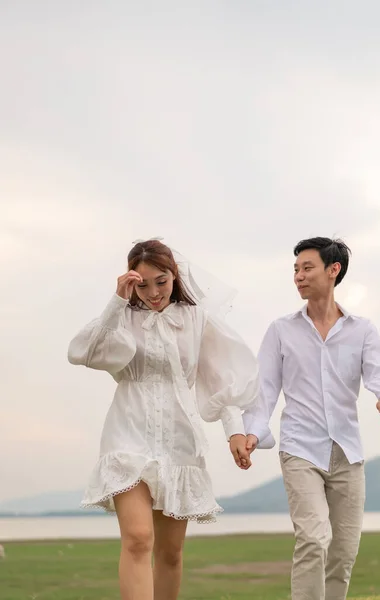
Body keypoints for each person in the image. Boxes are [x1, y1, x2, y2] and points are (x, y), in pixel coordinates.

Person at [68, 238, 258, 600]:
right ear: (130, 281)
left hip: (179, 440)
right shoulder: (120, 318)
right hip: (127, 436)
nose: (153, 292)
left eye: (161, 281)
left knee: (170, 553)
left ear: (175, 276)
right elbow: (83, 352)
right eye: (142, 284)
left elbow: (219, 377)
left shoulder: (197, 319)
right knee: (138, 539)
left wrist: (234, 430)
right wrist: (116, 302)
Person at [243, 237, 380, 600]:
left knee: (343, 552)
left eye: (307, 268)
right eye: (296, 270)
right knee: (314, 538)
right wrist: (254, 432)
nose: (299, 276)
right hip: (300, 448)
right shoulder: (281, 330)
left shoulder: (361, 329)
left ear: (333, 271)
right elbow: (264, 387)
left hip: (347, 452)